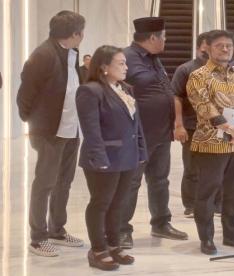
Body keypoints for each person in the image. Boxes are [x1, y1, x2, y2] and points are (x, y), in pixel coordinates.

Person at [16, 10, 85, 257]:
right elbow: (25, 94)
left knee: (64, 182)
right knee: (45, 183)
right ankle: (38, 238)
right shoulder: (43, 55)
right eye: (81, 32)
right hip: (49, 131)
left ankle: (57, 229)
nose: (83, 37)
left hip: (70, 128)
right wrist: (33, 123)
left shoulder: (71, 54)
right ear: (75, 34)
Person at [76, 45, 147, 271]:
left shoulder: (125, 89)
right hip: (104, 157)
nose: (126, 67)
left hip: (127, 157)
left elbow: (136, 125)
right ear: (104, 67)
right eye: (121, 63)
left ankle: (114, 245)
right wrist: (100, 157)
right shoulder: (90, 90)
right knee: (101, 203)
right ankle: (98, 249)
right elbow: (91, 129)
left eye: (125, 63)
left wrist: (141, 150)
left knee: (119, 204)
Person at [187, 30, 234, 255]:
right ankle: (206, 238)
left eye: (228, 45)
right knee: (208, 193)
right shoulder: (199, 75)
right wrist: (229, 128)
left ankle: (233, 235)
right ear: (207, 47)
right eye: (219, 46)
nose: (225, 49)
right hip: (211, 143)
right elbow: (204, 106)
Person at [119, 16, 187, 249]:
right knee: (131, 182)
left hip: (160, 133)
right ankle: (121, 230)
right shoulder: (125, 58)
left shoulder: (154, 59)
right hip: (137, 134)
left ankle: (161, 223)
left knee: (159, 180)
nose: (165, 42)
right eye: (164, 38)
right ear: (152, 38)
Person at [172, 31, 222, 218]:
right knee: (192, 168)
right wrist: (179, 124)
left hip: (219, 127)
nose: (207, 55)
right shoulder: (185, 69)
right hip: (193, 126)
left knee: (218, 167)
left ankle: (217, 203)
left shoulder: (223, 68)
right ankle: (191, 204)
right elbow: (176, 96)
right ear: (199, 47)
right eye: (204, 50)